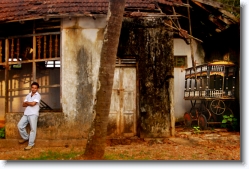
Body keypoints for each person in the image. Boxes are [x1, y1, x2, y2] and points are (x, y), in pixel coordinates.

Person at [17, 82, 41, 150]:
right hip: (26, 113)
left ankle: (31, 144)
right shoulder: (28, 95)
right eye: (32, 87)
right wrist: (29, 103)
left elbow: (33, 104)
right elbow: (23, 105)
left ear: (37, 89)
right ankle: (26, 137)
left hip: (33, 114)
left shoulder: (38, 95)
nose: (33, 89)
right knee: (20, 125)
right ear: (31, 88)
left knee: (33, 129)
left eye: (35, 88)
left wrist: (27, 103)